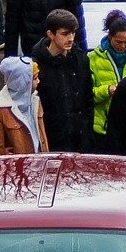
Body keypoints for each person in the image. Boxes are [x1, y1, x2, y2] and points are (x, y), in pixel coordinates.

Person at [33, 8, 95, 153]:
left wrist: (86, 132)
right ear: (50, 34)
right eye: (65, 34)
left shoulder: (80, 59)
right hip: (53, 142)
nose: (71, 38)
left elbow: (88, 98)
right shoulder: (37, 65)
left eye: (73, 32)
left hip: (81, 140)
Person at [89, 10, 126, 145]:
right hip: (102, 129)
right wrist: (107, 90)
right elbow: (87, 95)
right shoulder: (93, 59)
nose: (123, 46)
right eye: (119, 42)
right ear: (110, 36)